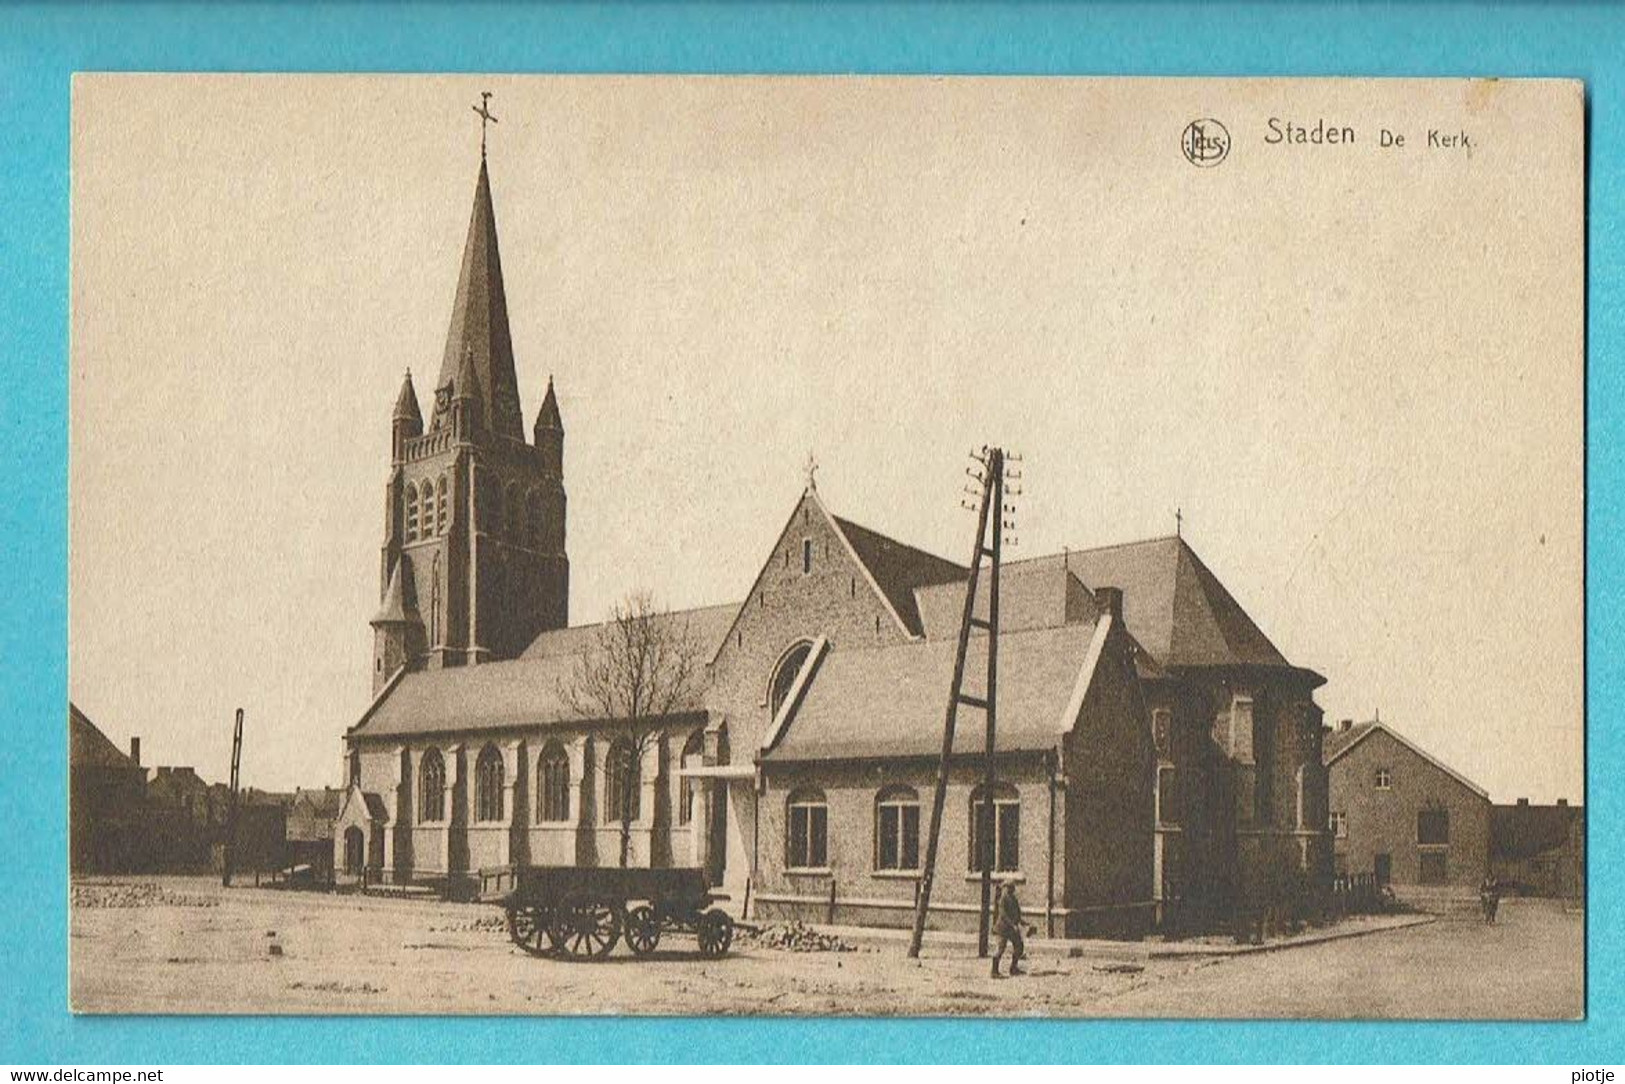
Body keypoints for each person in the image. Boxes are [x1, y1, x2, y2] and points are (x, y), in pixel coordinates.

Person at [991, 882, 1026, 978]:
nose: (1011, 889)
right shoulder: (1003, 899)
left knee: (1019, 946)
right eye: (1009, 887)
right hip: (1002, 928)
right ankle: (994, 971)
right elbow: (1003, 915)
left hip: (1011, 928)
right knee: (1000, 949)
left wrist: (1023, 922)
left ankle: (1013, 968)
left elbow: (1016, 914)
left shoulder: (1014, 899)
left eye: (1012, 887)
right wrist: (1012, 925)